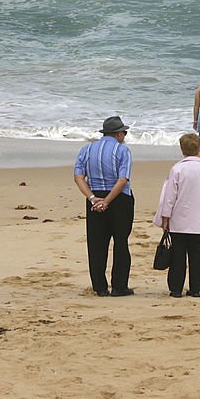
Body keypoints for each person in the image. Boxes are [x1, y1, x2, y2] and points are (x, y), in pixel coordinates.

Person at [73, 116, 135, 297]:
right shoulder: (123, 151)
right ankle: (119, 286)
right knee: (121, 242)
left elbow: (78, 177)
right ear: (117, 133)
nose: (124, 135)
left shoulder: (87, 149)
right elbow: (123, 180)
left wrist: (93, 198)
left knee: (97, 244)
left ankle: (100, 287)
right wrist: (107, 200)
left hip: (95, 198)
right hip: (119, 199)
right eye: (124, 132)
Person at [153, 133, 200, 298]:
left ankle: (176, 289)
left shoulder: (177, 169)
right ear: (199, 149)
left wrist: (165, 217)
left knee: (178, 256)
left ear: (182, 150)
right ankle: (195, 288)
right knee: (197, 256)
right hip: (198, 220)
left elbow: (169, 197)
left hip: (178, 221)